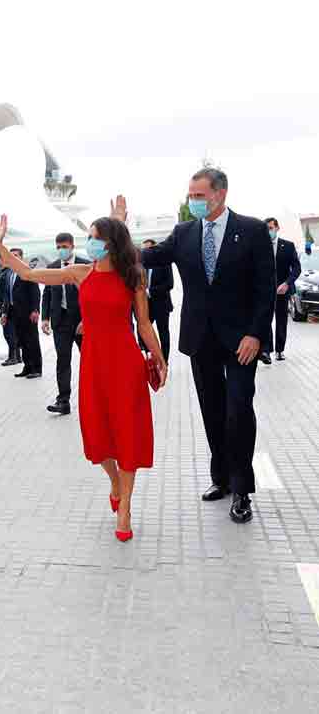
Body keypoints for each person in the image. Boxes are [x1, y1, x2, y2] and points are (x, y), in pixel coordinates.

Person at [0, 211, 165, 541]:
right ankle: (114, 482)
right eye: (89, 237)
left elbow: (144, 324)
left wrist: (159, 358)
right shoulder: (78, 273)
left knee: (127, 432)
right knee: (98, 438)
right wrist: (0, 246)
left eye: (96, 237)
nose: (91, 243)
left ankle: (125, 507)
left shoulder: (134, 277)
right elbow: (29, 274)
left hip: (126, 364)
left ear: (111, 243)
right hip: (94, 365)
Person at [140, 167, 275, 523]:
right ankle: (223, 479)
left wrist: (256, 334)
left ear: (221, 194)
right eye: (191, 195)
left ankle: (243, 489)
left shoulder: (252, 230)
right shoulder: (184, 233)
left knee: (238, 411)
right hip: (202, 339)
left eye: (199, 196)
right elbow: (148, 258)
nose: (193, 202)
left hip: (241, 341)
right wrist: (117, 235)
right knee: (213, 412)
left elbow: (265, 289)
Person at [41, 233, 89, 415]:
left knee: (89, 360)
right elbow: (47, 293)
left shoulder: (85, 265)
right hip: (60, 322)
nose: (61, 250)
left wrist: (89, 318)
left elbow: (93, 294)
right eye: (58, 247)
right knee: (62, 360)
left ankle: (95, 398)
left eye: (64, 246)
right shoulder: (53, 267)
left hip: (82, 322)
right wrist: (45, 318)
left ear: (72, 246)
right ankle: (63, 400)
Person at [263, 217, 300, 362]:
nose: (269, 231)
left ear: (277, 228)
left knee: (281, 320)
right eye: (266, 229)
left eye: (271, 228)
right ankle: (266, 351)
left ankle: (279, 350)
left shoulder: (288, 246)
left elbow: (297, 268)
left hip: (282, 290)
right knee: (265, 319)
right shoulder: (260, 246)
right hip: (265, 290)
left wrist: (287, 283)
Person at [5, 248, 42, 378]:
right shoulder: (9, 273)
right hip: (15, 313)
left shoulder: (27, 271)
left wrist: (35, 310)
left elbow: (35, 292)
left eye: (16, 255)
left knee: (32, 340)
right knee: (22, 341)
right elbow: (7, 295)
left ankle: (36, 369)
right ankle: (27, 367)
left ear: (21, 257)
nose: (14, 257)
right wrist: (5, 313)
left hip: (28, 313)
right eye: (12, 255)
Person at [140, 239, 174, 363]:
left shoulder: (164, 263)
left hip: (161, 305)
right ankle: (149, 357)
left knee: (163, 332)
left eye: (148, 250)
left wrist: (150, 291)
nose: (145, 253)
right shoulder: (140, 266)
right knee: (142, 332)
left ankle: (165, 360)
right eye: (143, 250)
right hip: (146, 306)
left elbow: (169, 284)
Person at [0, 259, 20, 366]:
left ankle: (12, 357)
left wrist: (3, 310)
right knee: (14, 333)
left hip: (7, 309)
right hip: (9, 309)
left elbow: (4, 296)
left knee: (9, 334)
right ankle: (17, 356)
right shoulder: (8, 273)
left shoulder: (6, 274)